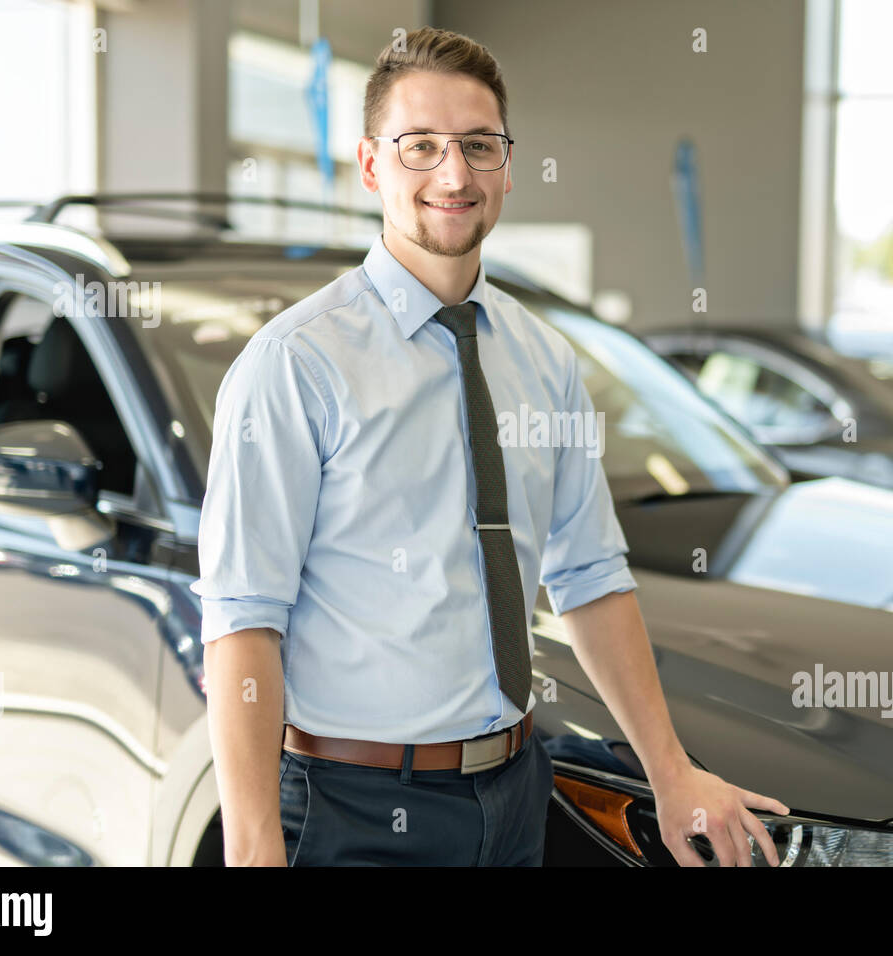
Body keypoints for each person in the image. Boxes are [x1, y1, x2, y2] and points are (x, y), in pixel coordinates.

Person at [193, 25, 789, 867]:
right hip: (352, 811)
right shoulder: (297, 364)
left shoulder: (545, 358)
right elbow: (244, 619)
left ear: (508, 165)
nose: (454, 173)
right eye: (421, 146)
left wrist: (670, 770)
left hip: (516, 793)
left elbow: (590, 579)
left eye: (478, 146)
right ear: (371, 166)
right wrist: (252, 847)